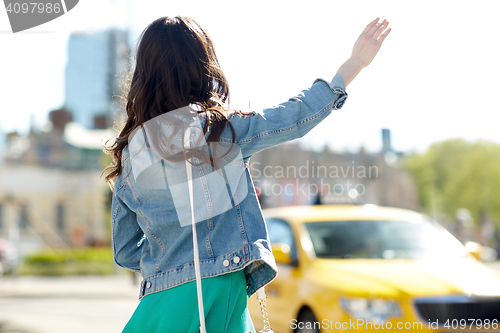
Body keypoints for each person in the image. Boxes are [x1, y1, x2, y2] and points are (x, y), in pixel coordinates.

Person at [101, 15, 391, 333]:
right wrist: (353, 64)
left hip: (158, 306)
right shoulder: (219, 131)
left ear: (145, 73)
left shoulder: (131, 154)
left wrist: (171, 256)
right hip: (215, 296)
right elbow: (295, 116)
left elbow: (126, 250)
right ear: (201, 65)